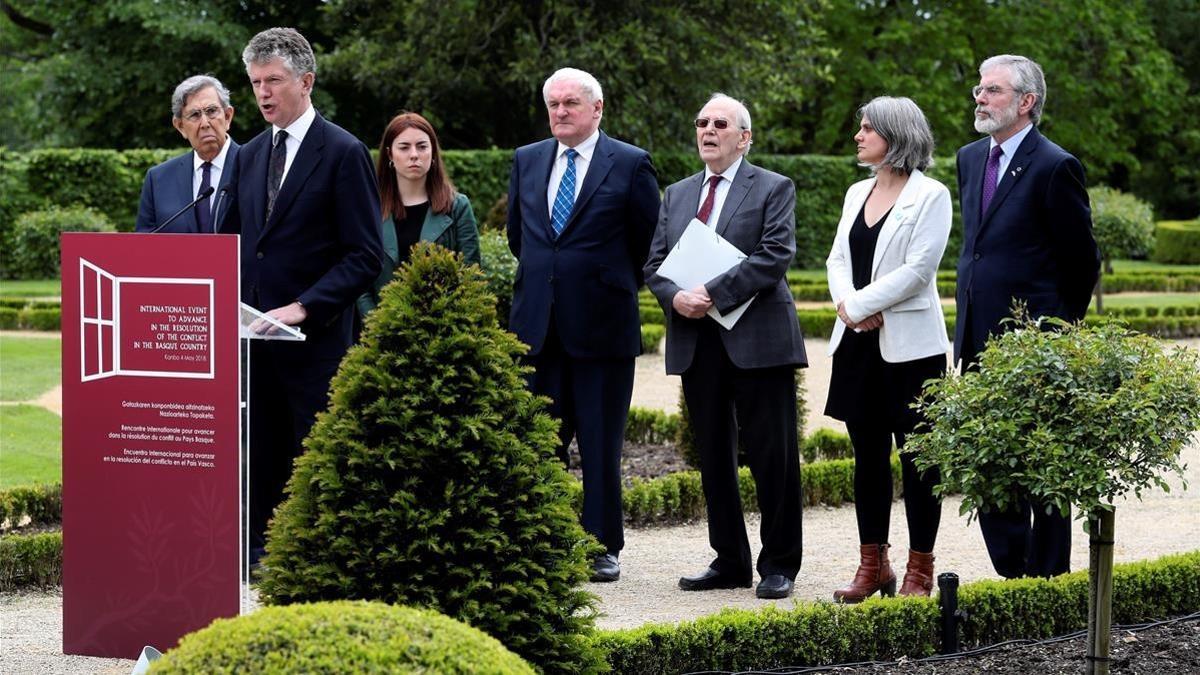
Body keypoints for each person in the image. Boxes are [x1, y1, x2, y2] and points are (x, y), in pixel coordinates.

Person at [226, 27, 383, 566]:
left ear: (306, 81)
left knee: (314, 457)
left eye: (273, 80)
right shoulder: (246, 155)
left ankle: (315, 558)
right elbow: (232, 244)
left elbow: (365, 256)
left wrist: (304, 305)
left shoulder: (343, 152)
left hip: (313, 344)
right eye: (254, 83)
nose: (263, 93)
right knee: (258, 452)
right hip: (254, 342)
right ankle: (254, 551)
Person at [645, 93, 806, 600]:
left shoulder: (774, 187)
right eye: (701, 122)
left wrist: (712, 293)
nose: (708, 130)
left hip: (758, 339)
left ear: (745, 136)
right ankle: (729, 560)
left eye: (720, 123)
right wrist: (677, 299)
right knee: (712, 456)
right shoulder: (676, 193)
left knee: (772, 456)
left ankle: (779, 563)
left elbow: (775, 254)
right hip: (698, 341)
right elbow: (653, 265)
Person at [506, 67, 660, 583]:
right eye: (553, 104)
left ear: (597, 109)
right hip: (536, 328)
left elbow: (646, 245)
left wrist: (595, 284)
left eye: (571, 103)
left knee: (598, 444)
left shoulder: (631, 163)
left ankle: (600, 547)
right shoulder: (527, 160)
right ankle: (540, 539)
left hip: (602, 329)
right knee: (537, 444)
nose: (560, 112)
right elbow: (519, 239)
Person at [955, 54, 1100, 578]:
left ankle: (1048, 578)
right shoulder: (970, 158)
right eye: (979, 89)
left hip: (1034, 344)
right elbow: (977, 248)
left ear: (1026, 101)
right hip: (975, 334)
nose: (980, 98)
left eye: (992, 90)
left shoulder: (1055, 164)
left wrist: (1056, 331)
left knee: (1043, 466)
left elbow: (1083, 261)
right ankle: (1011, 574)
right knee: (990, 459)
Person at [824, 96, 951, 602]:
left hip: (912, 350)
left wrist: (859, 304)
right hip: (857, 344)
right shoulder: (856, 191)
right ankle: (873, 564)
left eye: (868, 128)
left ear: (896, 135)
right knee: (867, 458)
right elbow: (836, 257)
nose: (858, 135)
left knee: (920, 460)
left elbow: (919, 271)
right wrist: (851, 307)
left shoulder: (932, 195)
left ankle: (921, 567)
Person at [356, 112, 480, 325]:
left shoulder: (457, 207)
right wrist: (377, 324)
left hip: (443, 331)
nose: (414, 155)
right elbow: (359, 280)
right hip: (379, 334)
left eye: (422, 146)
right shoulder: (368, 208)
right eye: (404, 147)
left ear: (433, 153)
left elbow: (471, 276)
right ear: (389, 155)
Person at [136, 75, 239, 233]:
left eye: (211, 111)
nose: (205, 123)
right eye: (195, 115)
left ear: (227, 117)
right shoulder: (158, 179)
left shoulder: (255, 165)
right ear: (180, 126)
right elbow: (143, 246)